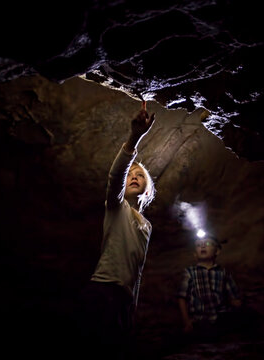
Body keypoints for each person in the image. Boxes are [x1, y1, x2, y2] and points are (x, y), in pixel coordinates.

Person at [77, 100, 156, 359]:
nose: (134, 176)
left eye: (140, 175)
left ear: (147, 190)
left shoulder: (147, 225)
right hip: (102, 290)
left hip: (123, 298)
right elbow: (115, 178)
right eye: (131, 173)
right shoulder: (116, 206)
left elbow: (138, 269)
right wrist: (135, 137)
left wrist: (132, 305)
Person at [177, 236, 250, 342]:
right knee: (199, 332)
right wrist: (186, 321)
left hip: (221, 316)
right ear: (195, 254)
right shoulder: (190, 272)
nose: (202, 246)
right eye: (198, 245)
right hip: (200, 318)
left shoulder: (223, 273)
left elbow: (234, 296)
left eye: (207, 244)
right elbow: (181, 297)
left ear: (217, 251)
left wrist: (237, 302)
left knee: (245, 317)